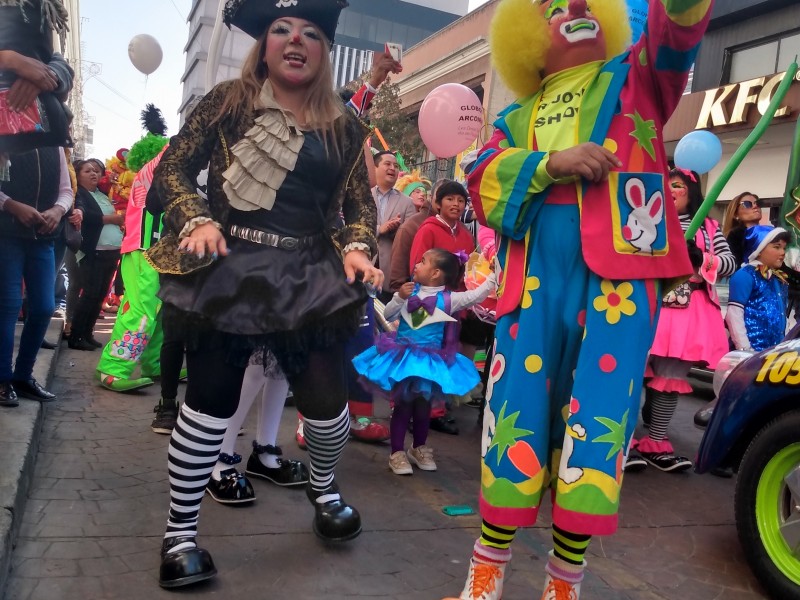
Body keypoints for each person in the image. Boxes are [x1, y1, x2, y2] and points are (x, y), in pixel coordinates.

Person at [445, 0, 708, 598]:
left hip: (616, 288)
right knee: (514, 418)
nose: (578, 8)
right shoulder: (514, 119)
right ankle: (483, 581)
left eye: (584, 0)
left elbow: (678, 32)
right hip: (533, 281)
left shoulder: (636, 77)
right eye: (556, 6)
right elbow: (482, 179)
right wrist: (549, 164)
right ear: (527, 37)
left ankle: (563, 587)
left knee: (596, 423)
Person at [143, 0, 381, 588]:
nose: (295, 40)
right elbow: (171, 171)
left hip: (310, 274)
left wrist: (356, 247)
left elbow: (359, 202)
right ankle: (179, 536)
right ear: (265, 44)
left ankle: (324, 491)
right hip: (229, 265)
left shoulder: (345, 125)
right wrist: (196, 219)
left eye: (310, 34)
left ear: (325, 51)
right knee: (209, 406)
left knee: (326, 411)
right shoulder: (226, 101)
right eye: (281, 30)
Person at [354, 248, 497, 475]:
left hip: (430, 363)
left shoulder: (449, 299)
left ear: (435, 274)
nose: (416, 265)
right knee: (402, 407)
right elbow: (388, 315)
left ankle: (418, 447)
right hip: (404, 359)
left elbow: (475, 296)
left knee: (423, 409)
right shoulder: (408, 292)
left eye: (422, 262)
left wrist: (493, 277)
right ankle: (397, 453)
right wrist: (399, 297)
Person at [636, 168, 735, 472]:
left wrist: (702, 259)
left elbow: (730, 263)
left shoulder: (709, 226)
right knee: (629, 372)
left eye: (677, 185)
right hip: (646, 305)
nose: (671, 191)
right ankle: (620, 440)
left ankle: (655, 440)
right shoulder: (647, 219)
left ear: (691, 192)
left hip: (687, 312)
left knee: (670, 378)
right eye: (667, 186)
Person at [95, 107, 171, 392]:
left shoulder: (151, 175)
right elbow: (169, 150)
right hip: (144, 250)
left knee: (161, 310)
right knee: (142, 310)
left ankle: (156, 363)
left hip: (155, 251)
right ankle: (114, 369)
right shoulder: (152, 170)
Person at [409, 180, 480, 436]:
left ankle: (436, 411)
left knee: (444, 356)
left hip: (453, 307)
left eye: (460, 200)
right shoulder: (427, 230)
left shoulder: (466, 235)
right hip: (428, 304)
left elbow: (471, 272)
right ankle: (410, 410)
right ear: (438, 203)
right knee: (421, 357)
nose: (456, 204)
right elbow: (416, 266)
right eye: (450, 199)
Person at [68, 160, 124, 351]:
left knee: (99, 296)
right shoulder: (78, 194)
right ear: (78, 174)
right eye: (87, 171)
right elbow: (88, 217)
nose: (93, 174)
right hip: (93, 251)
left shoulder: (102, 194)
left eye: (96, 171)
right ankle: (76, 336)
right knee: (90, 294)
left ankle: (87, 333)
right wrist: (112, 219)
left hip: (111, 252)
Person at [726, 225, 790, 352]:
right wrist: (744, 349)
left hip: (773, 355)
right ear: (758, 249)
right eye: (777, 247)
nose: (782, 252)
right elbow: (734, 315)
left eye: (784, 248)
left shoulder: (779, 279)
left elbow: (783, 317)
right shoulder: (745, 275)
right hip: (751, 354)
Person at [388, 178, 447, 293]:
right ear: (432, 197)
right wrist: (403, 295)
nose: (445, 201)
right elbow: (398, 271)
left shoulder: (460, 229)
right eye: (441, 195)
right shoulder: (411, 226)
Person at [372, 150, 417, 298]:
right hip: (363, 268)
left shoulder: (407, 202)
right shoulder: (362, 195)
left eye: (396, 166)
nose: (393, 168)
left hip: (390, 274)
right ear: (375, 167)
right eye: (387, 164)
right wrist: (380, 229)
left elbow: (410, 237)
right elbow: (351, 227)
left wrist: (397, 231)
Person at [723, 191, 763, 267]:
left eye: (757, 203)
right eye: (747, 204)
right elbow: (736, 265)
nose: (755, 206)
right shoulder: (734, 236)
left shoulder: (768, 233)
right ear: (736, 214)